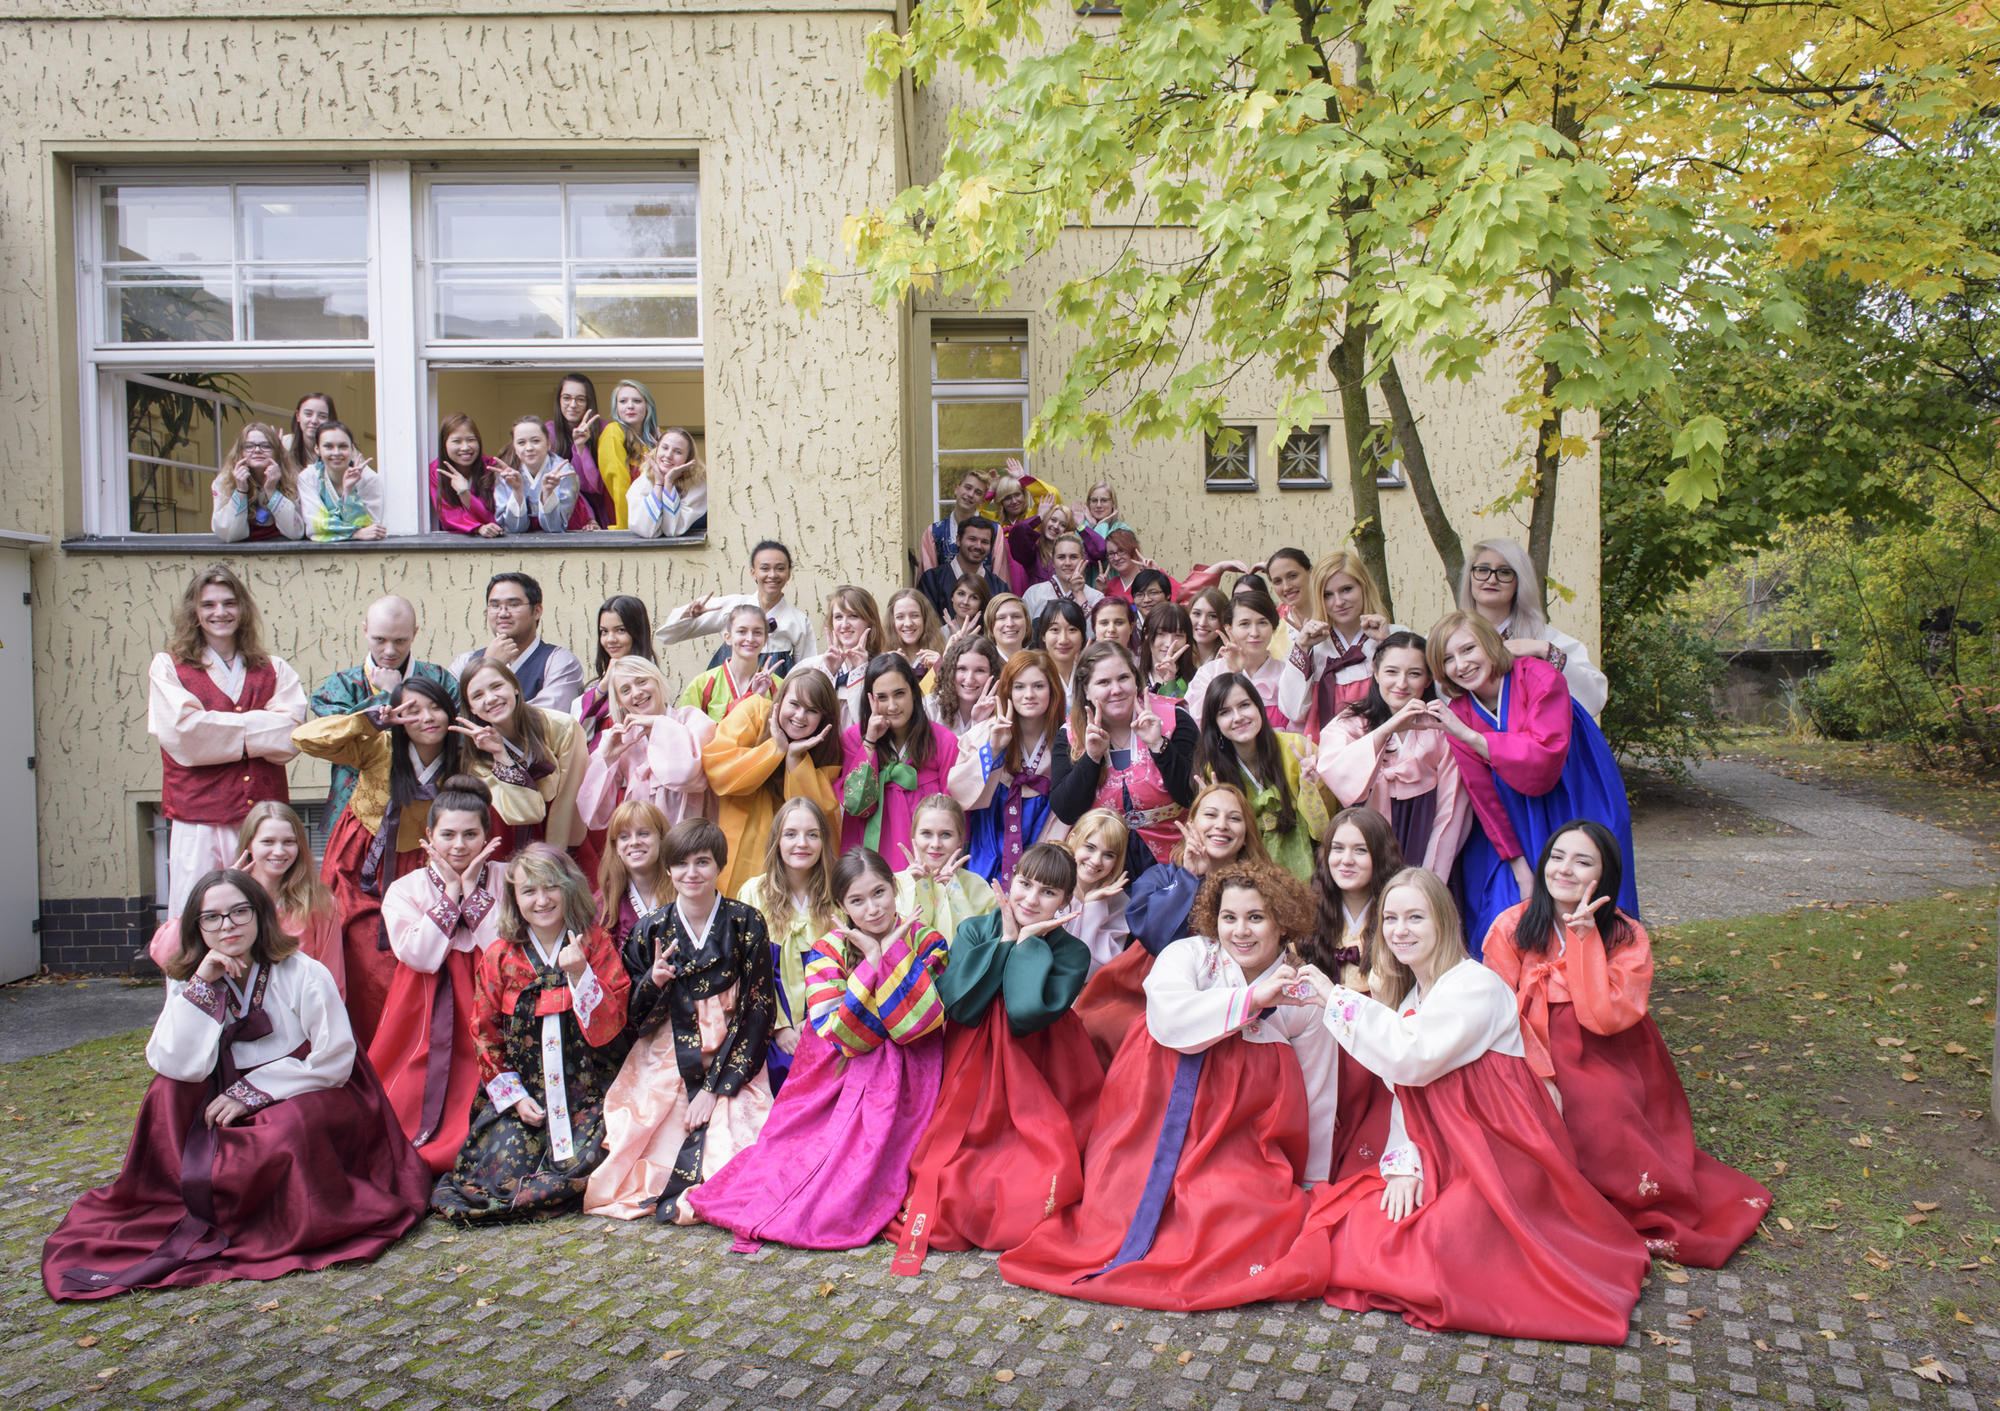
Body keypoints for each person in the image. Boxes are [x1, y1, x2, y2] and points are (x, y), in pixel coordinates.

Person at [1295, 868, 1651, 1344]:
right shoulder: (1412, 999)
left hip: (1498, 1152)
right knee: (1368, 1225)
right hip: (1445, 1148)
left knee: (1439, 1249)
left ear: (1443, 921)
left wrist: (1331, 995)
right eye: (1391, 918)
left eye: (1415, 917)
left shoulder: (1474, 986)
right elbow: (1405, 1091)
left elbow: (1411, 1056)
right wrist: (1405, 1164)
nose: (1400, 930)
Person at [44, 871, 429, 1299]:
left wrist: (251, 1092)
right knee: (164, 1093)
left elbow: (335, 1059)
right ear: (197, 926)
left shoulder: (304, 972)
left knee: (285, 1130)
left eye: (238, 912)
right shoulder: (188, 977)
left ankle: (278, 1220)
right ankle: (179, 1200)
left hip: (309, 1085)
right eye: (212, 917)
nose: (227, 926)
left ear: (259, 915)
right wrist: (202, 987)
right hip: (221, 1083)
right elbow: (174, 1062)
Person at [998, 861, 1332, 1309]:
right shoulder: (1189, 954)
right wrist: (1251, 1000)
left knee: (1236, 1216)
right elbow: (1171, 1021)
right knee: (1118, 1211)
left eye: (1256, 917)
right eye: (1229, 917)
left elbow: (1317, 1089)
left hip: (1238, 1133)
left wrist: (1315, 1177)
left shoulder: (1303, 991)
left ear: (1282, 922)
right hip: (1152, 1117)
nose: (1241, 931)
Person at [1483, 822, 1771, 1266]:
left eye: (1583, 862)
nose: (1565, 870)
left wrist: (1584, 942)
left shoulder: (1625, 933)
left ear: (1605, 874)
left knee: (1603, 1109)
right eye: (1557, 857)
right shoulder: (1513, 925)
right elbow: (1495, 1011)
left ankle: (1617, 1204)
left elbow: (1605, 1017)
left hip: (1608, 1048)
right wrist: (1539, 1072)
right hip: (1528, 1042)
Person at [685, 848, 949, 1249]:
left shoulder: (927, 940)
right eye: (857, 901)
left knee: (867, 1160)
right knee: (795, 1147)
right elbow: (837, 1032)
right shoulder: (828, 949)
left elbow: (918, 1022)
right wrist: (875, 962)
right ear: (842, 905)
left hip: (909, 1064)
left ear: (895, 889)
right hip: (838, 1067)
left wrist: (886, 957)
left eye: (879, 893)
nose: (873, 909)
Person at [892, 843, 1103, 1274]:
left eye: (1048, 893)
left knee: (1038, 1166)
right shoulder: (974, 929)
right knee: (956, 1165)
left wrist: (1027, 946)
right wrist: (1006, 940)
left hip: (1039, 1070)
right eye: (1024, 884)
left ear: (1066, 901)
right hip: (973, 1065)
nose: (1030, 899)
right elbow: (959, 1005)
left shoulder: (1073, 952)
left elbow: (1026, 1014)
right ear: (1009, 881)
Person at [585, 818, 777, 1224]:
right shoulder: (650, 928)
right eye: (682, 864)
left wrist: (715, 1088)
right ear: (669, 869)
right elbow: (630, 1015)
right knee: (655, 1135)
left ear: (719, 866)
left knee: (736, 1137)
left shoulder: (747, 922)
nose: (692, 874)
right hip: (667, 1051)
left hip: (732, 1052)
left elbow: (757, 1008)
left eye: (703, 862)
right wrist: (652, 984)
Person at [431, 845, 632, 1223]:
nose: (541, 900)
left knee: (592, 1158)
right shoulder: (500, 957)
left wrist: (579, 975)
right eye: (529, 891)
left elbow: (612, 1026)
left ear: (568, 888)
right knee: (500, 1172)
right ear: (515, 898)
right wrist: (516, 1099)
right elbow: (485, 1034)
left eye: (550, 887)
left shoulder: (595, 944)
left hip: (588, 1093)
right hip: (528, 1096)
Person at [1428, 610, 1637, 957]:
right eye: (1447, 659)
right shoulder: (1461, 711)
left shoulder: (1539, 676)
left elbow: (1543, 762)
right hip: (1513, 814)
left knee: (1582, 892)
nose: (1460, 665)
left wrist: (1469, 737)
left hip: (1572, 796)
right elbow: (1483, 796)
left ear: (1491, 644)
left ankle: (1597, 989)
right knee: (1507, 905)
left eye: (1468, 649)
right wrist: (1518, 865)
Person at [293, 675, 465, 1048]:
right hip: (364, 862)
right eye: (412, 710)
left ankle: (410, 1054)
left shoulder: (463, 755)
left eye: (435, 706)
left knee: (422, 961)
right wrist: (365, 720)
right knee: (362, 957)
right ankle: (358, 1052)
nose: (427, 718)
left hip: (426, 866)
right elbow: (304, 738)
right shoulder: (380, 745)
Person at [147, 565, 306, 915]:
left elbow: (291, 736)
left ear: (243, 609)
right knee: (198, 909)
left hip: (260, 819)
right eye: (209, 605)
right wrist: (259, 726)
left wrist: (216, 728)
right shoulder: (168, 667)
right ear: (195, 612)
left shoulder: (273, 668)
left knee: (264, 910)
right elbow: (185, 736)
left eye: (229, 603)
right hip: (198, 817)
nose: (220, 612)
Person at [1073, 782, 1268, 1065]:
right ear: (1191, 823)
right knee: (1109, 1028)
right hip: (1147, 986)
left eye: (1234, 818)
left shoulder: (1263, 886)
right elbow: (1154, 938)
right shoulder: (1161, 876)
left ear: (1247, 832)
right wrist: (1188, 877)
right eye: (1211, 815)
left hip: (1230, 987)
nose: (1222, 825)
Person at [372, 775, 507, 1174]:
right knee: (409, 1088)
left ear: (487, 836)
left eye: (470, 834)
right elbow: (420, 955)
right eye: (448, 834)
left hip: (491, 995)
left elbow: (504, 946)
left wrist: (472, 891)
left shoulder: (507, 878)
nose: (459, 845)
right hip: (424, 1002)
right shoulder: (405, 887)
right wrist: (451, 892)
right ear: (429, 834)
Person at [1315, 631, 1483, 876]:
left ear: (1428, 680)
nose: (1402, 683)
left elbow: (1452, 811)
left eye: (1414, 674)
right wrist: (1386, 730)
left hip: (1424, 835)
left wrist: (1432, 875)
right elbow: (1334, 771)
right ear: (1376, 672)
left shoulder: (1440, 728)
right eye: (1392, 672)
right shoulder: (1349, 724)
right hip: (1367, 840)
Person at [145, 802, 341, 993]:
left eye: (288, 842)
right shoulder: (225, 895)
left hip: (297, 1014)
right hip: (231, 1015)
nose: (279, 851)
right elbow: (164, 952)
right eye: (268, 841)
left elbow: (331, 975)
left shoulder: (320, 902)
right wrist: (222, 889)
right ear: (249, 843)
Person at [1303, 808, 1403, 1179]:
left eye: (1360, 850)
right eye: (1337, 848)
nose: (1345, 860)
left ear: (1380, 854)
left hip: (1378, 1036)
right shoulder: (1308, 909)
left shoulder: (1398, 911)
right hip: (1322, 1038)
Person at [308, 595, 460, 829]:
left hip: (430, 808)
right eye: (380, 639)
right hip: (356, 813)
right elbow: (334, 736)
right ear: (365, 630)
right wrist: (387, 696)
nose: (390, 651)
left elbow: (458, 737)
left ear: (415, 633)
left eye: (400, 641)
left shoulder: (440, 680)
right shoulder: (341, 685)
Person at [1048, 640, 1197, 877]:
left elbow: (1191, 796)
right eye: (1103, 682)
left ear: (1136, 680)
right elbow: (1066, 810)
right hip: (1101, 865)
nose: (1116, 689)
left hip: (1175, 859)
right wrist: (1092, 757)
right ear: (1086, 689)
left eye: (1123, 678)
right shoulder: (1070, 734)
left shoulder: (1175, 719)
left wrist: (1159, 746)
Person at [701, 670, 842, 898]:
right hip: (741, 843)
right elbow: (720, 772)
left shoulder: (827, 747)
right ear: (781, 698)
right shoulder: (754, 711)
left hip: (794, 856)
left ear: (823, 718)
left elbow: (818, 809)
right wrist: (775, 749)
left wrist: (795, 759)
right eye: (794, 704)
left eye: (812, 710)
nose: (800, 716)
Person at [735, 796, 840, 1089]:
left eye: (812, 835)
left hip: (827, 1021)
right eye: (791, 834)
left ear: (823, 841)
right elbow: (749, 973)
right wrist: (779, 1028)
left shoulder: (838, 896)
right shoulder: (754, 893)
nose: (801, 843)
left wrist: (817, 1022)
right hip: (769, 1025)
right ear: (777, 841)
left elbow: (851, 970)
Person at [1192, 673, 1331, 881]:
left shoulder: (1297, 749)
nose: (1238, 717)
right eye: (1225, 712)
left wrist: (1310, 785)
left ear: (1259, 706)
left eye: (1245, 705)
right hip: (1245, 878)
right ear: (1216, 723)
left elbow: (1324, 831)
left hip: (1310, 872)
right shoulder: (1212, 770)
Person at [948, 648, 1064, 885]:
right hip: (990, 837)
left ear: (1053, 690)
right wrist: (994, 750)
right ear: (1008, 690)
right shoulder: (985, 732)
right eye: (1019, 687)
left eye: (1039, 686)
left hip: (1046, 833)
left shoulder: (1066, 738)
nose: (1028, 694)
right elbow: (958, 793)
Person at [1458, 537, 1609, 717]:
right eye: (1482, 570)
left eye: (1504, 572)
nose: (1491, 580)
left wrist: (1544, 650)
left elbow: (1593, 701)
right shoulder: (1446, 638)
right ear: (1470, 577)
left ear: (1519, 582)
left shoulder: (1544, 638)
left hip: (1533, 743)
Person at [451, 659, 589, 855]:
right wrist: (500, 755)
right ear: (471, 708)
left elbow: (569, 795)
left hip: (567, 833)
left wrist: (555, 856)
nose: (490, 699)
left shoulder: (561, 726)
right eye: (478, 695)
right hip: (513, 838)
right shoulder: (477, 756)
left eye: (497, 686)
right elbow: (527, 813)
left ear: (515, 687)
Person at [839, 655, 962, 871]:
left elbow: (954, 813)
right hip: (872, 848)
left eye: (899, 694)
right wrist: (870, 742)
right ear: (869, 699)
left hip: (926, 852)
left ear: (913, 693)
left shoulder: (943, 741)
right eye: (882, 697)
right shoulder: (854, 738)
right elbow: (856, 805)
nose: (892, 706)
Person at [579, 657, 716, 830]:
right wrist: (608, 758)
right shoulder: (622, 738)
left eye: (642, 681)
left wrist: (658, 724)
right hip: (642, 841)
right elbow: (591, 814)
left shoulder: (692, 720)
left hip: (691, 839)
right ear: (620, 701)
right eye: (625, 690)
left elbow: (686, 775)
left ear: (657, 680)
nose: (636, 693)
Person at [1279, 552, 1396, 739]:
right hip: (1330, 755)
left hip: (1389, 750)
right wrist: (1302, 648)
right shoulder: (1312, 647)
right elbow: (1293, 712)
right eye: (1328, 595)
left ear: (1363, 587)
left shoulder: (1395, 635)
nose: (1339, 602)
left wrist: (1388, 646)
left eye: (1347, 589)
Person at [660, 540, 817, 674]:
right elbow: (669, 636)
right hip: (727, 692)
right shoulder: (732, 607)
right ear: (753, 572)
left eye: (780, 568)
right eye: (764, 568)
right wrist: (690, 615)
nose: (772, 575)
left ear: (789, 573)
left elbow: (808, 670)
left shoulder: (799, 621)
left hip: (774, 690)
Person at [448, 572, 586, 713]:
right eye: (495, 606)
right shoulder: (464, 662)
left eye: (513, 605)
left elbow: (549, 720)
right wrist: (488, 664)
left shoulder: (559, 661)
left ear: (537, 611)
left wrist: (489, 669)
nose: (503, 613)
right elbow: (448, 713)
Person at [1187, 586, 1294, 731]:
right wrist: (1234, 675)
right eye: (1245, 624)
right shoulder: (1209, 673)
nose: (1254, 633)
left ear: (1273, 627)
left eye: (1262, 623)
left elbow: (1298, 727)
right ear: (1229, 628)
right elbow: (1200, 726)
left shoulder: (1288, 673)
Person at [893, 793, 998, 939]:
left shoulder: (976, 886)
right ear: (914, 837)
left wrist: (954, 889)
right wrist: (911, 884)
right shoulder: (893, 883)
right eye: (926, 833)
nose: (935, 844)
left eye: (946, 835)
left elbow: (983, 941)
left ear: (960, 840)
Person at [789, 585, 883, 730]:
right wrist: (828, 673)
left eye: (853, 616)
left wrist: (861, 671)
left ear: (869, 621)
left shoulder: (884, 667)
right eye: (838, 617)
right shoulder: (810, 666)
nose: (845, 625)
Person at [574, 595, 656, 748]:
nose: (610, 639)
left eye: (620, 630)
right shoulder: (597, 687)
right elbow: (575, 735)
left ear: (637, 633)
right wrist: (603, 686)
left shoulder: (650, 684)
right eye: (604, 632)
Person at [679, 605, 782, 723]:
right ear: (728, 638)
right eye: (742, 631)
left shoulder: (778, 686)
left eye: (757, 632)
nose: (750, 638)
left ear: (765, 640)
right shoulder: (702, 684)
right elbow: (683, 729)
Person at [596, 799, 673, 952]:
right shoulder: (604, 902)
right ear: (616, 847)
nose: (634, 842)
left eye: (643, 833)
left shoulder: (683, 890)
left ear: (661, 838)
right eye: (624, 837)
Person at [492, 414, 588, 533]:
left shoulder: (563, 471)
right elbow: (512, 528)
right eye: (521, 443)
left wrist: (548, 493)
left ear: (548, 444)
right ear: (514, 448)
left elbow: (556, 527)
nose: (529, 448)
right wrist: (517, 491)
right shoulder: (507, 474)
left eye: (536, 441)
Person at [1063, 809, 1132, 975]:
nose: (1095, 861)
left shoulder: (1119, 903)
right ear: (1073, 840)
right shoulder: (1049, 881)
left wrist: (1092, 905)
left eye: (1108, 855)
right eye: (1089, 847)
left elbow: (1091, 969)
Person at [211, 423, 303, 543]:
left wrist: (272, 492)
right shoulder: (223, 481)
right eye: (249, 446)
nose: (257, 450)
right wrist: (241, 491)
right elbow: (228, 534)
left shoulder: (293, 479)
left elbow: (295, 532)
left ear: (277, 452)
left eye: (266, 446)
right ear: (240, 451)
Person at [299, 421, 387, 542]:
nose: (336, 453)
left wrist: (348, 491)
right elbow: (315, 524)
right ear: (317, 449)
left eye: (343, 446)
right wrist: (355, 533)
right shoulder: (308, 477)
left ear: (352, 449)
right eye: (328, 446)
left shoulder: (369, 479)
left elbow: (371, 529)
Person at [593, 378, 659, 530]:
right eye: (623, 401)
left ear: (648, 406)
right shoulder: (613, 432)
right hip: (629, 523)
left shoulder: (656, 437)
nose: (630, 406)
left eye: (637, 401)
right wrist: (625, 528)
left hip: (653, 522)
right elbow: (618, 483)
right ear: (616, 408)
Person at [548, 374, 611, 528]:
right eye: (566, 398)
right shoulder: (548, 431)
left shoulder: (604, 430)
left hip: (602, 512)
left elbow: (594, 485)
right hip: (565, 512)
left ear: (589, 402)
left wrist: (580, 447)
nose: (573, 404)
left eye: (580, 399)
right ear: (559, 401)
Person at [428, 413, 505, 538]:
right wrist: (477, 528)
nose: (465, 447)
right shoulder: (436, 471)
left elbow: (492, 516)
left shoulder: (490, 467)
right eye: (456, 441)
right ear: (444, 444)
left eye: (471, 440)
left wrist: (465, 494)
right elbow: (448, 515)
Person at [917, 517, 1007, 622]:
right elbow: (927, 625)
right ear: (958, 540)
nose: (978, 546)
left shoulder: (999, 587)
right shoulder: (931, 580)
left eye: (984, 542)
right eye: (972, 539)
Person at [1004, 503, 1101, 597]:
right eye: (1053, 520)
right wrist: (1039, 517)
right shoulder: (1033, 554)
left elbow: (1100, 550)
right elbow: (1017, 535)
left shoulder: (1074, 556)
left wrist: (1080, 526)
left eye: (1063, 525)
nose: (1055, 526)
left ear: (1067, 530)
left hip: (1072, 607)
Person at [628, 426, 708, 539]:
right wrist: (659, 484)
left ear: (688, 459)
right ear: (657, 450)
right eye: (664, 448)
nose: (668, 455)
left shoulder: (698, 484)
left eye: (678, 452)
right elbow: (645, 530)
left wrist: (669, 483)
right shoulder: (644, 480)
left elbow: (673, 530)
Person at [926, 634, 1003, 738]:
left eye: (980, 670)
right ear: (950, 670)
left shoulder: (1001, 711)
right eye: (962, 669)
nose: (970, 679)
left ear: (993, 674)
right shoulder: (931, 707)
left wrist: (978, 724)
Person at [918, 467, 993, 573]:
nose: (971, 494)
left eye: (978, 492)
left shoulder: (995, 531)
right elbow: (928, 580)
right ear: (956, 489)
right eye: (968, 487)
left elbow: (1000, 579)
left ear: (982, 500)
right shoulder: (934, 532)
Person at [1021, 532, 1105, 622]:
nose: (1067, 563)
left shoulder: (1096, 597)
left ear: (1083, 560)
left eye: (1073, 557)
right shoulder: (1034, 593)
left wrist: (1079, 594)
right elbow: (1025, 632)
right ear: (1053, 561)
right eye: (1061, 557)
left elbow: (1096, 633)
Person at [884, 588, 947, 680]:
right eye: (900, 617)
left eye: (915, 615)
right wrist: (884, 668)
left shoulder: (942, 655)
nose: (908, 623)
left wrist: (941, 669)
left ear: (925, 619)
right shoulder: (883, 658)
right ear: (892, 621)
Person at [1137, 602, 1196, 699]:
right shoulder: (1133, 677)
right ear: (1146, 633)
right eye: (1161, 634)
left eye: (1178, 635)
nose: (1169, 643)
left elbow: (1185, 713)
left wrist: (1170, 682)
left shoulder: (1197, 680)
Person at [1033, 599, 1087, 703]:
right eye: (1055, 630)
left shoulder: (1090, 674)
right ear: (1043, 635)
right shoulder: (1033, 675)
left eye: (1072, 630)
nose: (1063, 640)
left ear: (1082, 636)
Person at [282, 391, 336, 470]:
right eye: (308, 414)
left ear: (330, 420)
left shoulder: (342, 448)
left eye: (322, 416)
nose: (314, 421)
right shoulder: (285, 443)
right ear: (298, 416)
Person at [982, 593, 1033, 663]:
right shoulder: (983, 664)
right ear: (990, 624)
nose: (1010, 624)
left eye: (1016, 616)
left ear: (1027, 622)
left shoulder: (1037, 664)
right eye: (1001, 618)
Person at [1187, 587, 1230, 668]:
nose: (1202, 623)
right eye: (1197, 613)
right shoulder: (1178, 657)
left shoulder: (1231, 661)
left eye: (1212, 616)